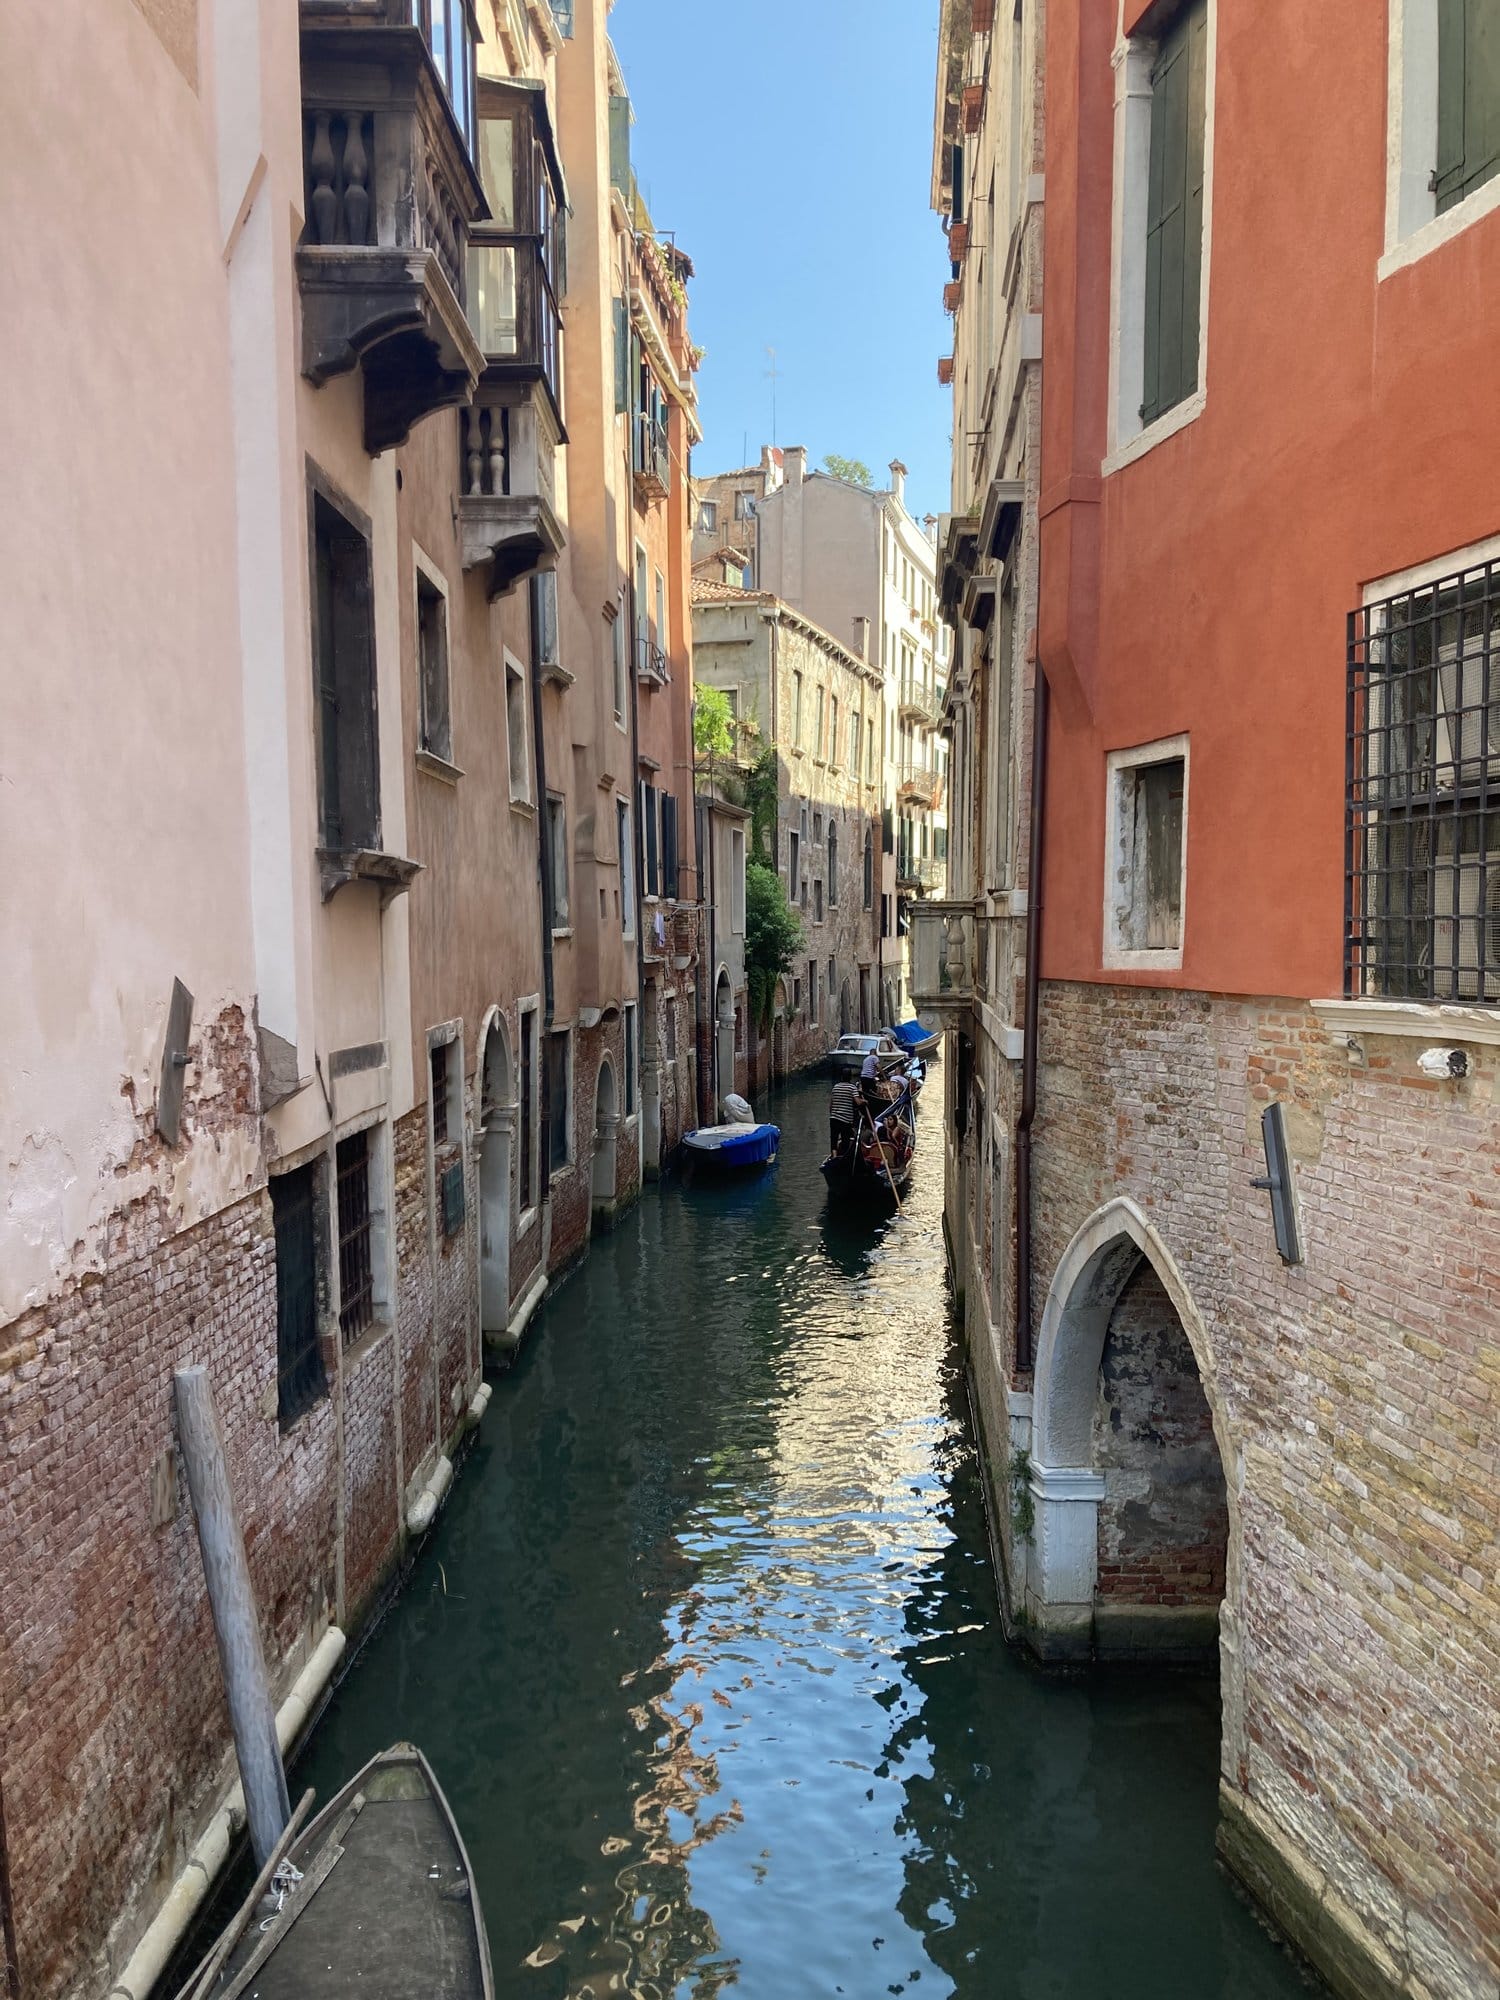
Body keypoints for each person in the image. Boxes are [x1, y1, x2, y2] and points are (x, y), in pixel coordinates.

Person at [829, 1077, 857, 1154]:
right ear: (850, 1077)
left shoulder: (835, 1087)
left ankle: (834, 1157)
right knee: (845, 1140)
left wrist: (832, 1114)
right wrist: (864, 1101)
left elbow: (831, 1104)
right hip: (846, 1120)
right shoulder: (852, 1087)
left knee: (834, 1140)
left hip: (834, 1118)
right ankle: (844, 1155)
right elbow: (857, 1102)